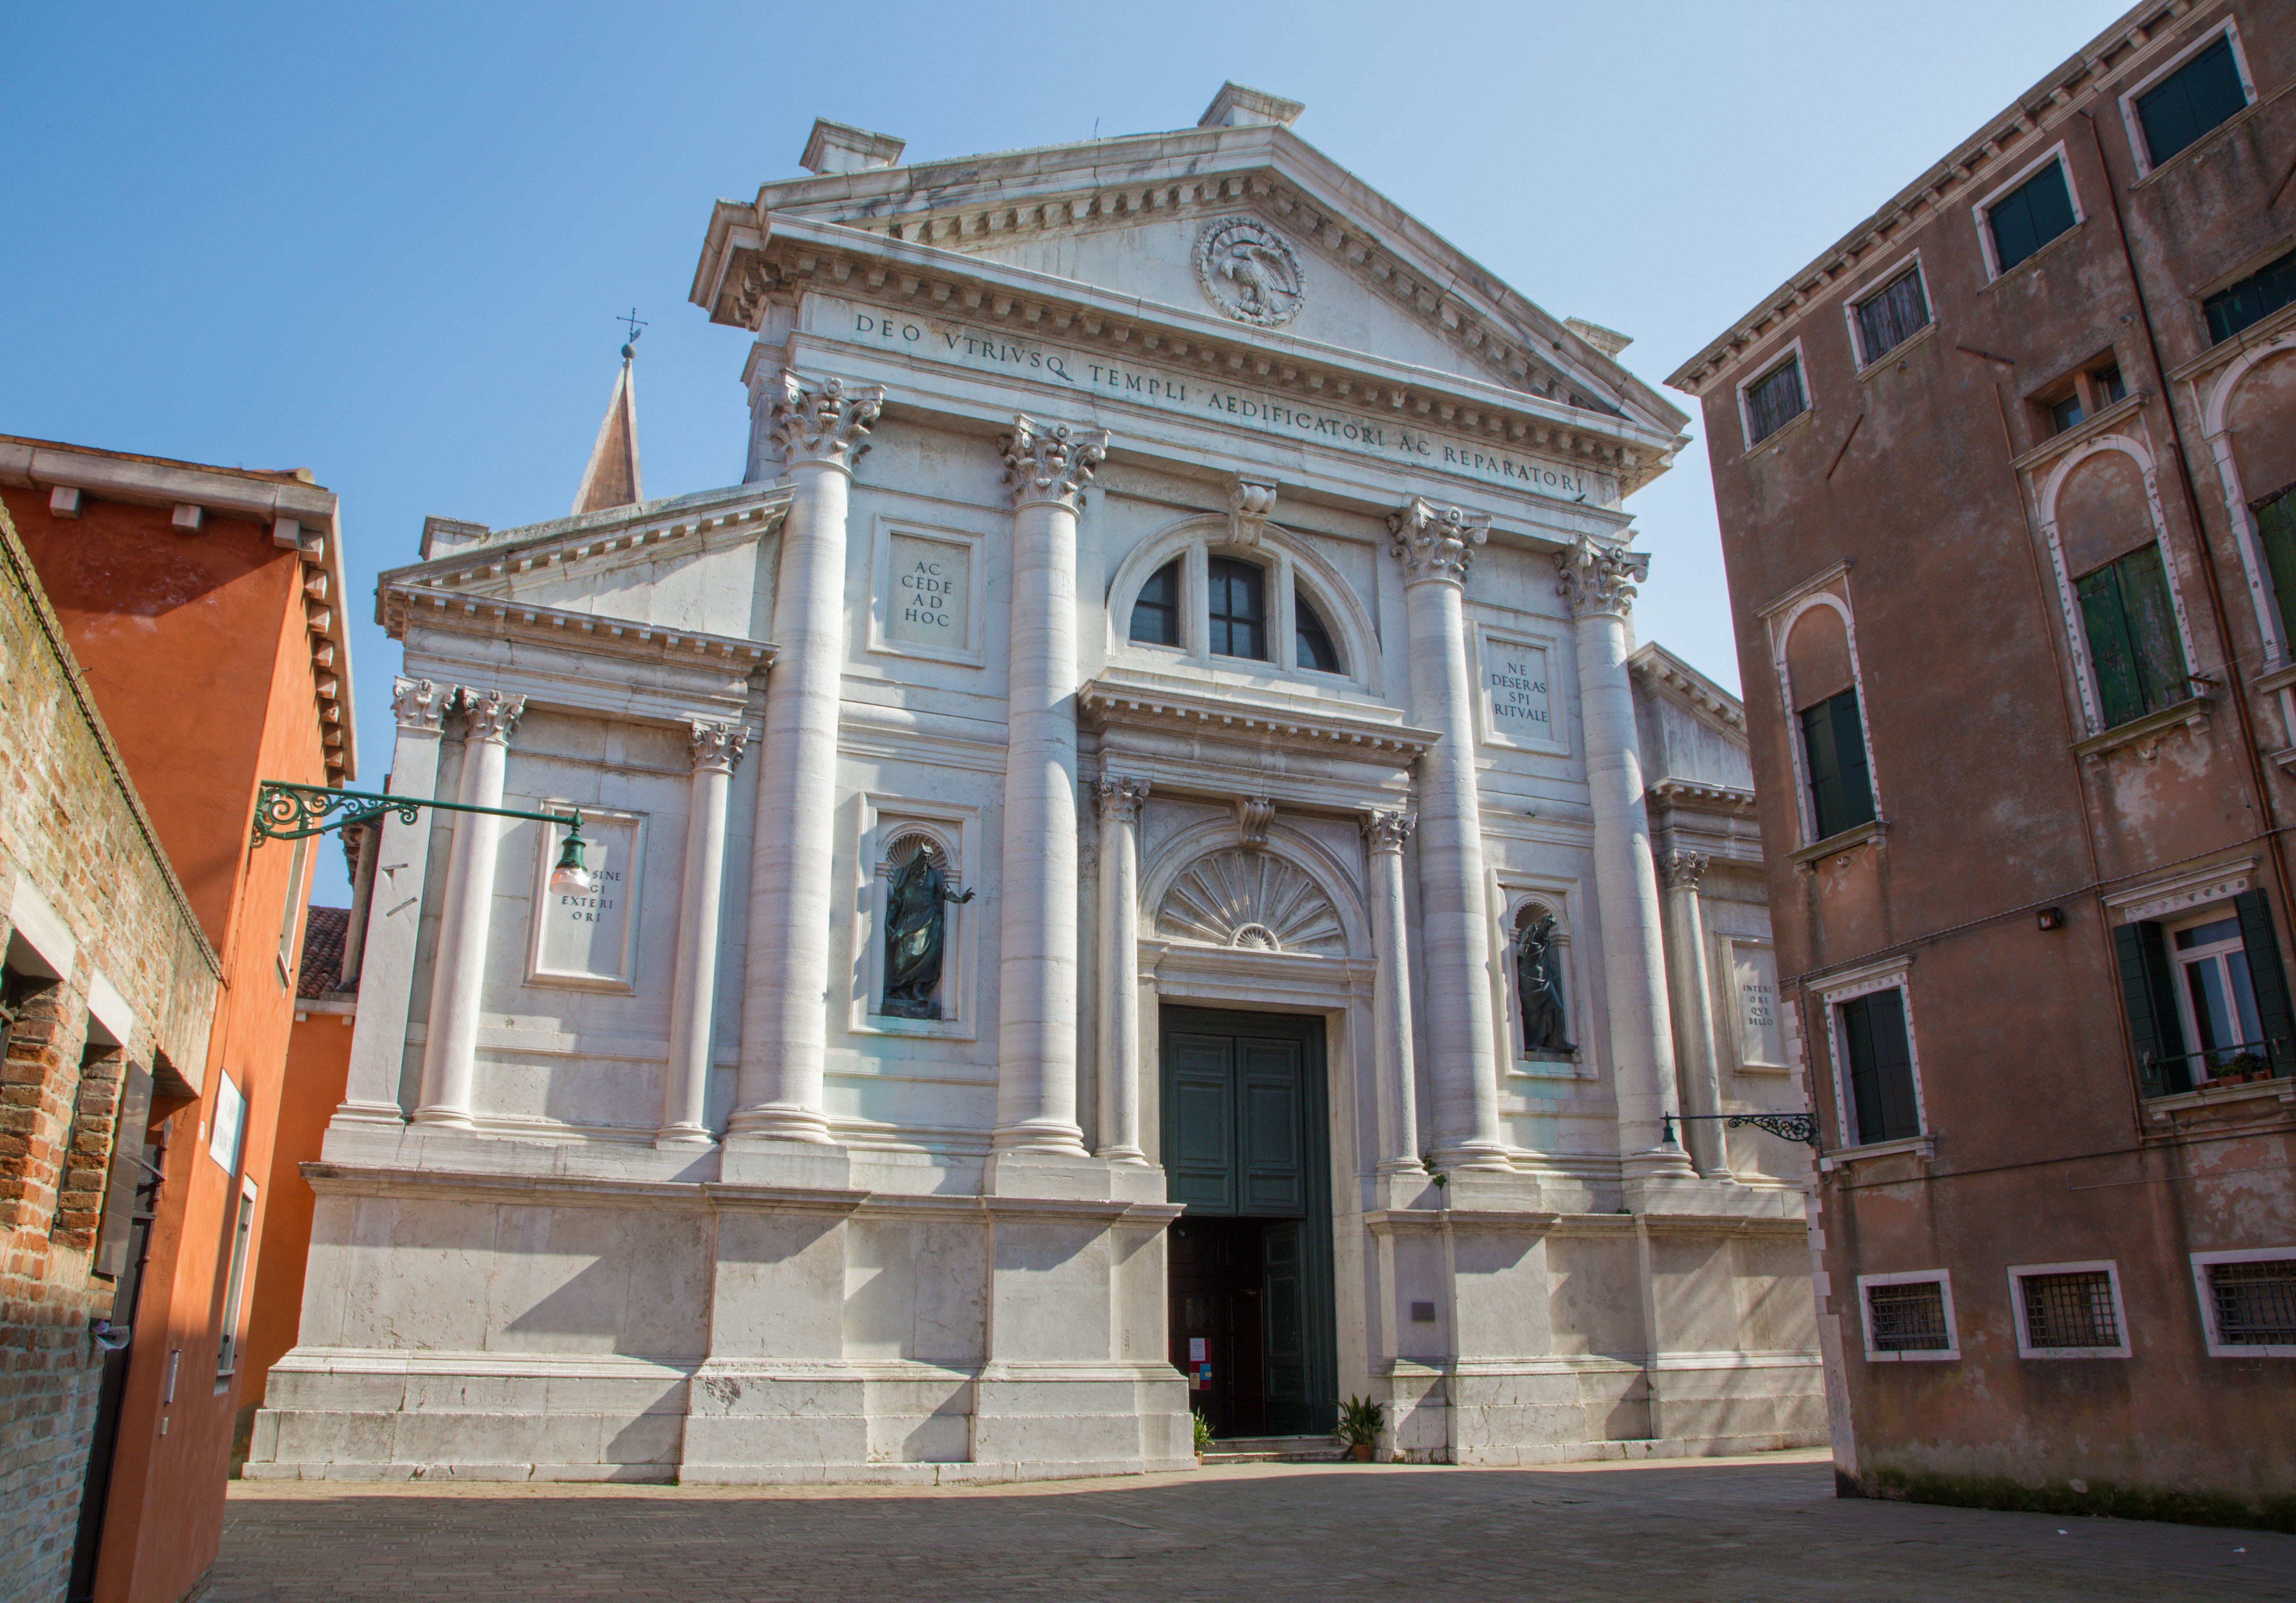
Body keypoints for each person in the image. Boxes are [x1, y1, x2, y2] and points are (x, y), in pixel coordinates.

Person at [882, 842, 974, 1019]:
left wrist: (961, 899)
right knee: (909, 954)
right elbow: (897, 903)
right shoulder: (902, 877)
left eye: (927, 859)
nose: (925, 863)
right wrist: (888, 923)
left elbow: (946, 892)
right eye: (922, 859)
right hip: (909, 921)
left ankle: (916, 990)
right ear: (915, 860)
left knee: (927, 956)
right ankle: (896, 987)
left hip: (929, 920)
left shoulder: (935, 876)